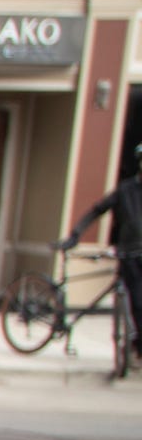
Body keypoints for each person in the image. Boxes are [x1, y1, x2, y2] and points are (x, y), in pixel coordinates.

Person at [60, 140, 142, 333]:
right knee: (138, 301)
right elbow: (97, 210)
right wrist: (76, 234)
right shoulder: (125, 191)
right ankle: (138, 346)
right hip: (129, 254)